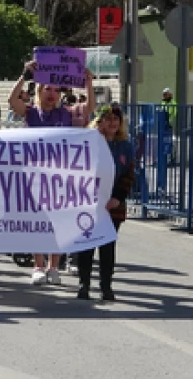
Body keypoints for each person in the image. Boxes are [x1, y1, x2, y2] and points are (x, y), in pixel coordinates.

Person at [9, 59, 95, 285]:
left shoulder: (66, 114)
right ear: (39, 90)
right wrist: (24, 75)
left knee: (57, 222)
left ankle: (53, 266)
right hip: (34, 176)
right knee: (37, 221)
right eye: (48, 88)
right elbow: (11, 101)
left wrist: (87, 83)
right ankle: (38, 265)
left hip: (58, 176)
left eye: (56, 90)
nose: (52, 93)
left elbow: (89, 108)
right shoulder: (30, 113)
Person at [77, 103, 135, 301]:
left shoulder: (126, 147)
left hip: (113, 205)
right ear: (99, 121)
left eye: (116, 119)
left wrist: (117, 198)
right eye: (108, 119)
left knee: (107, 246)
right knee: (87, 244)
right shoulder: (90, 143)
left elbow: (128, 175)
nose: (112, 123)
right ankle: (84, 283)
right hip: (90, 202)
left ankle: (106, 286)